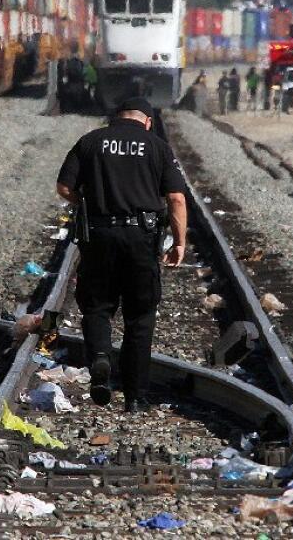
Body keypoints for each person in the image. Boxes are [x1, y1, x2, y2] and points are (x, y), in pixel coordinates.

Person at [55, 98, 187, 413]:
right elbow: (176, 198)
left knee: (97, 306)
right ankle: (135, 398)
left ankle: (101, 357)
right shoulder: (157, 146)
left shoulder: (90, 141)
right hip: (142, 238)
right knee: (140, 317)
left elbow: (63, 187)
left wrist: (88, 202)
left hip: (99, 235)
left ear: (115, 118)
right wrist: (179, 242)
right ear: (148, 121)